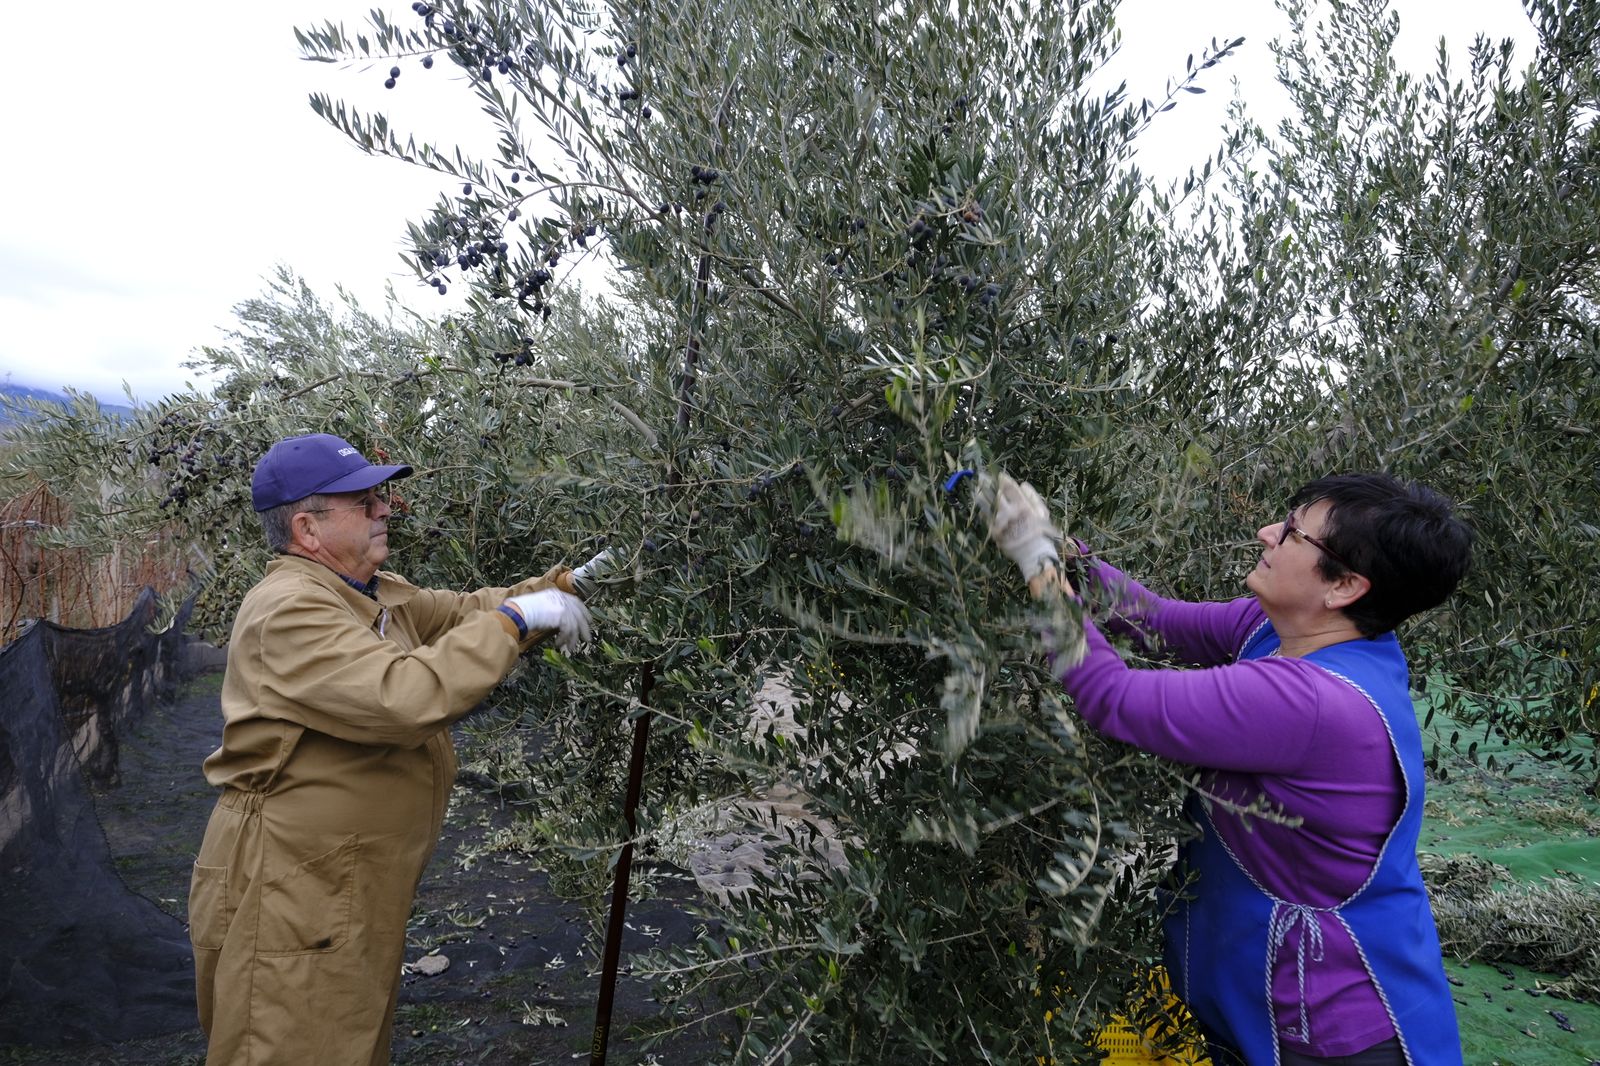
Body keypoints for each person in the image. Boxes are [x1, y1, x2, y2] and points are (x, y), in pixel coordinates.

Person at [986, 471, 1473, 1065]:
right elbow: (1155, 621)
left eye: (1295, 534)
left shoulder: (1310, 703)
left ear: (1344, 586)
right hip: (1273, 1004)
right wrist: (1063, 551)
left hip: (1329, 1030)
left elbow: (1112, 699)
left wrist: (1038, 566)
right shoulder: (1288, 632)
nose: (1268, 532)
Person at [188, 433, 599, 1065]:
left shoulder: (372, 594)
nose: (387, 508)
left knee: (346, 1041)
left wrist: (569, 585)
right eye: (365, 500)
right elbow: (404, 697)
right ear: (307, 527)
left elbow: (468, 613)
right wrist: (518, 621)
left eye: (381, 494)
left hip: (339, 883)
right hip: (289, 887)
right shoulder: (290, 611)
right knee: (292, 1045)